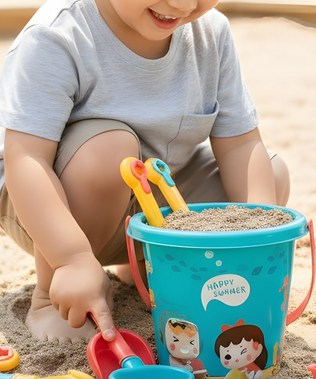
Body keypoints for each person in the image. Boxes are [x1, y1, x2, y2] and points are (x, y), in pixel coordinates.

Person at [0, 0, 290, 343]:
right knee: (110, 149)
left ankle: (149, 263)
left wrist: (259, 237)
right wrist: (70, 259)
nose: (183, 4)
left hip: (150, 199)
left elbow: (240, 146)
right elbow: (27, 160)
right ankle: (49, 297)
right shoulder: (58, 36)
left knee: (270, 175)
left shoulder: (210, 33)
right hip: (46, 209)